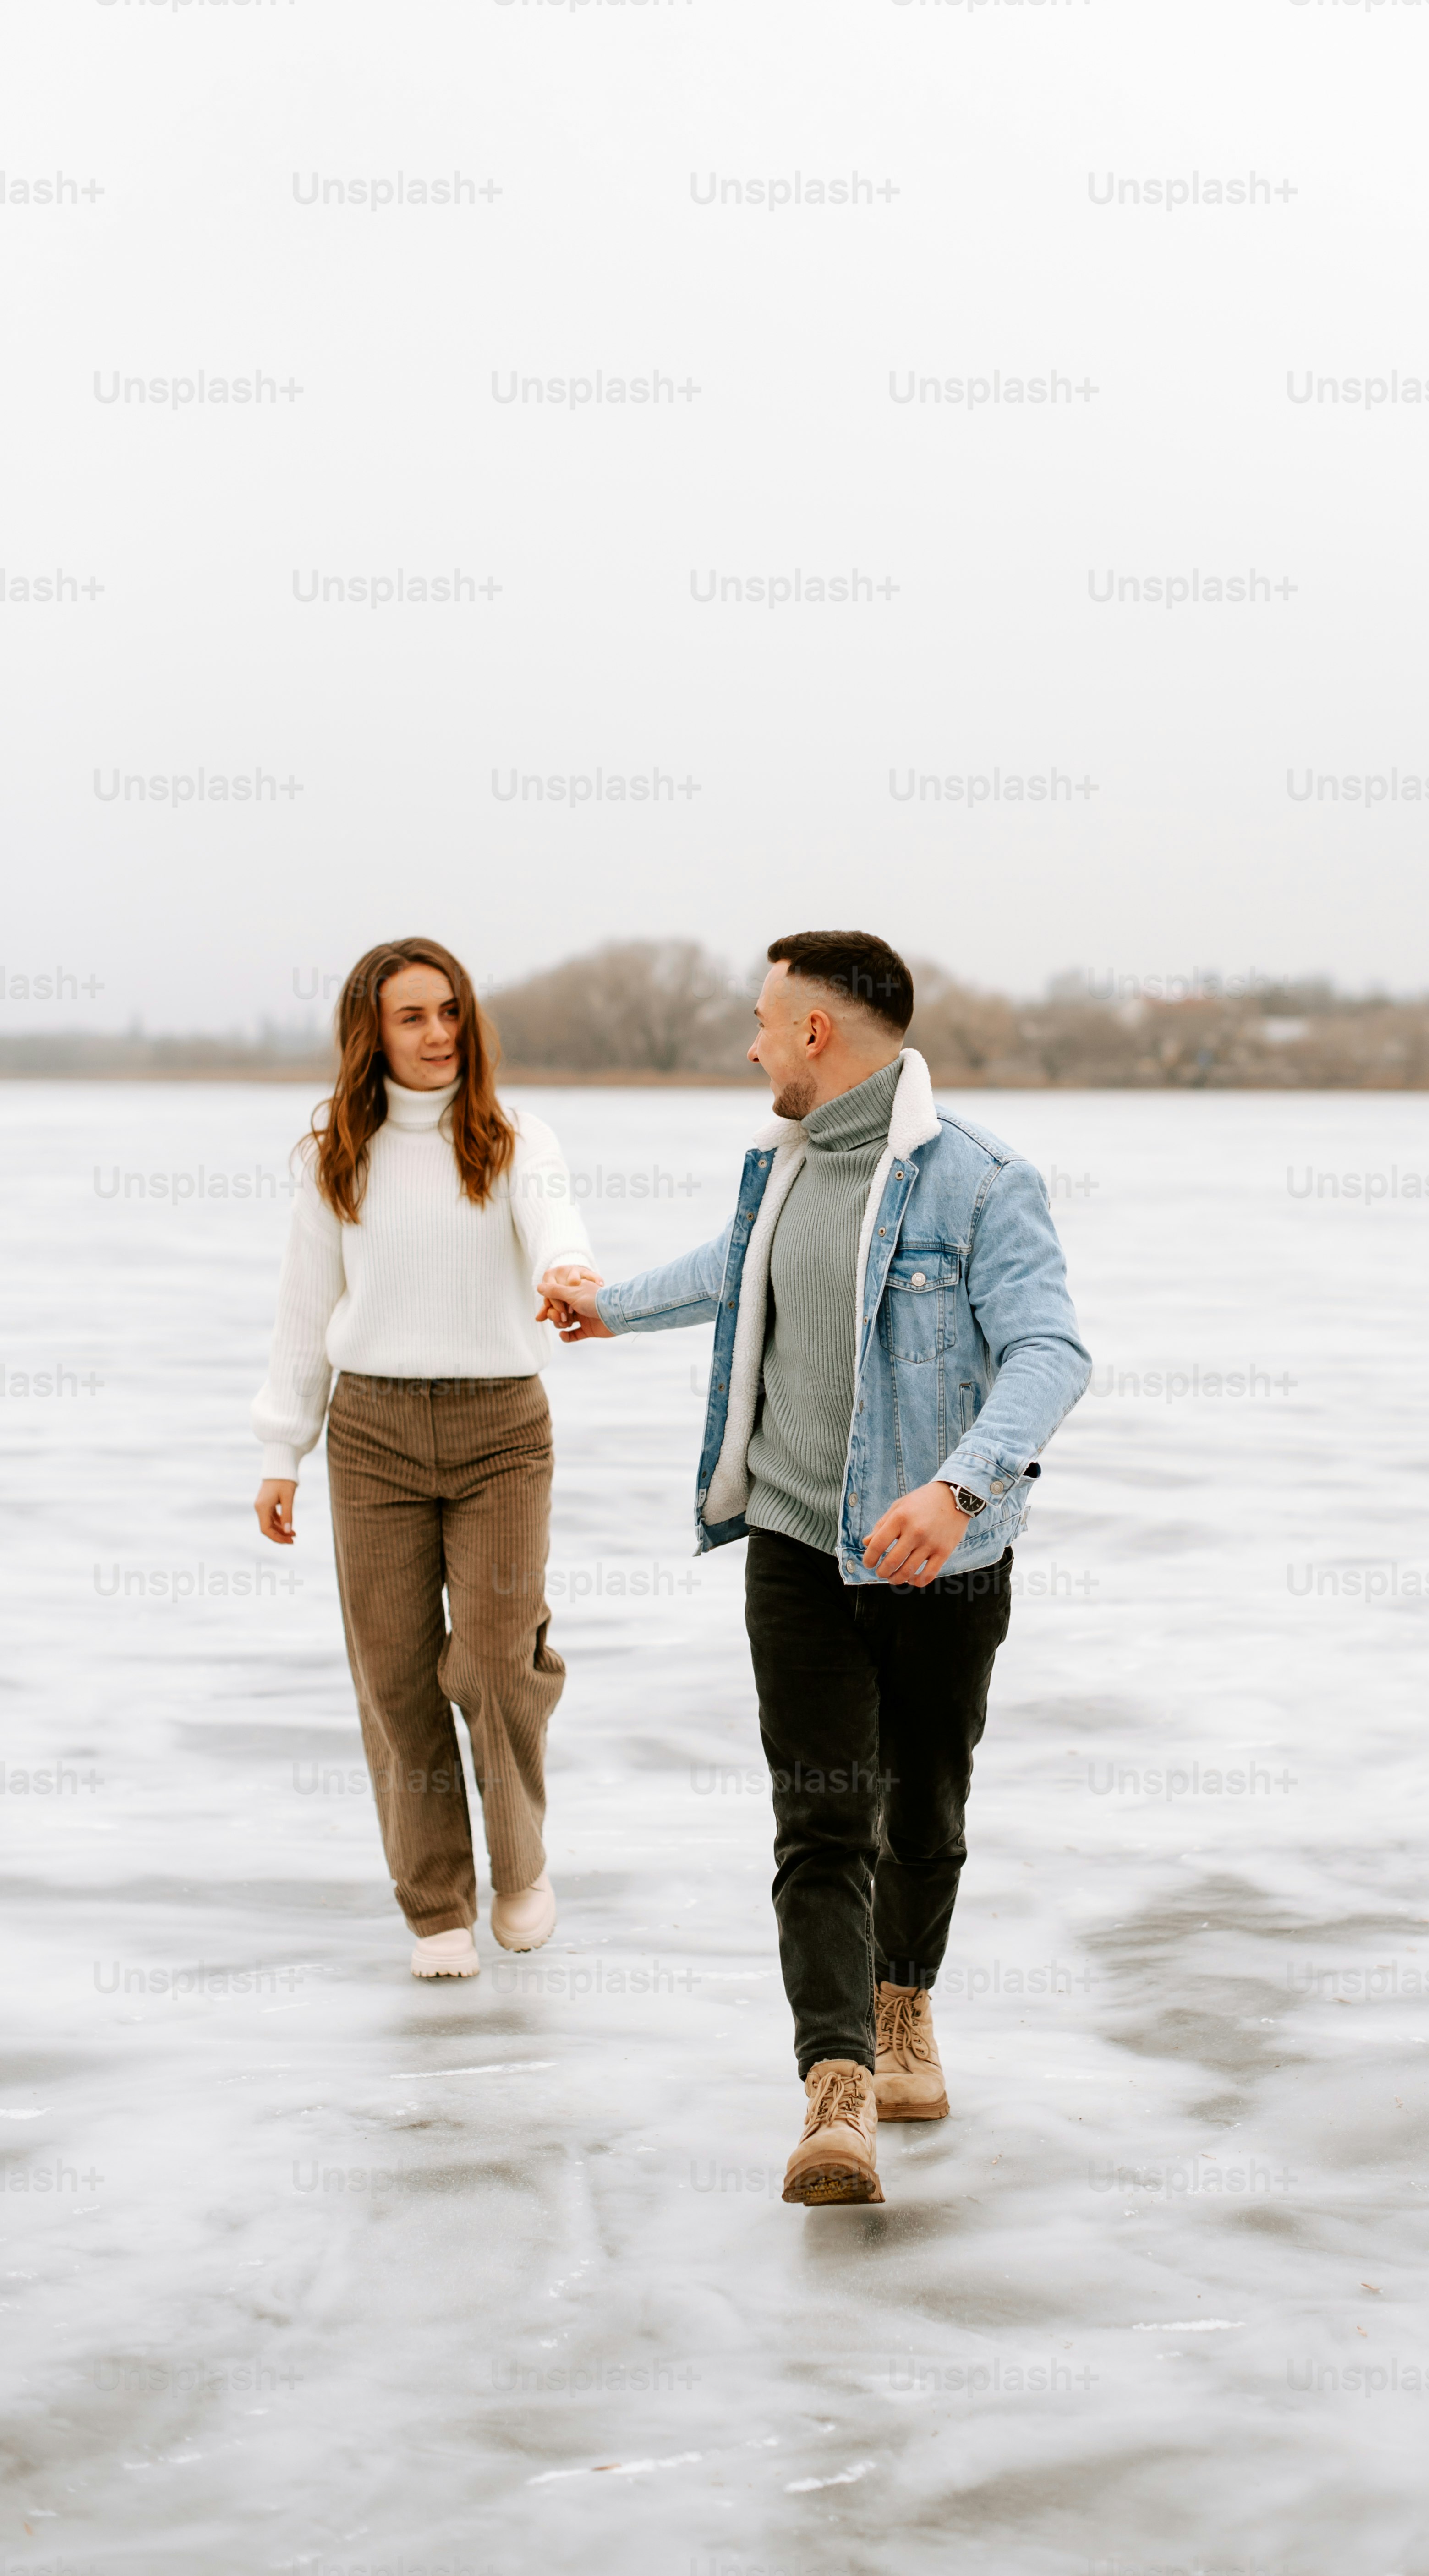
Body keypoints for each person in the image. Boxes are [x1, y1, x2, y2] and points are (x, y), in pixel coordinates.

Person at [537, 929, 1090, 2204]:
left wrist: (958, 1491)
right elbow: (737, 1277)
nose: (750, 1044)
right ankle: (835, 2090)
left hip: (938, 1559)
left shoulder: (984, 1183)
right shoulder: (779, 1171)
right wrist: (607, 1302)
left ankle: (905, 2010)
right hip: (791, 1540)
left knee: (927, 1815)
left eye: (762, 1020)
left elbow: (1052, 1353)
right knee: (824, 1817)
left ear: (819, 1033)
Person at [252, 937, 597, 1979]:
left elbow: (552, 1218)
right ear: (372, 1032)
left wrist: (567, 1268)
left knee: (495, 1660)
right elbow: (306, 1308)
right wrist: (283, 1445)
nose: (439, 1032)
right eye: (413, 1016)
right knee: (396, 1674)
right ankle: (436, 1901)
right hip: (372, 1435)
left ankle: (522, 1864)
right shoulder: (336, 1152)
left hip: (501, 1428)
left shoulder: (512, 1134)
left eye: (450, 1010)